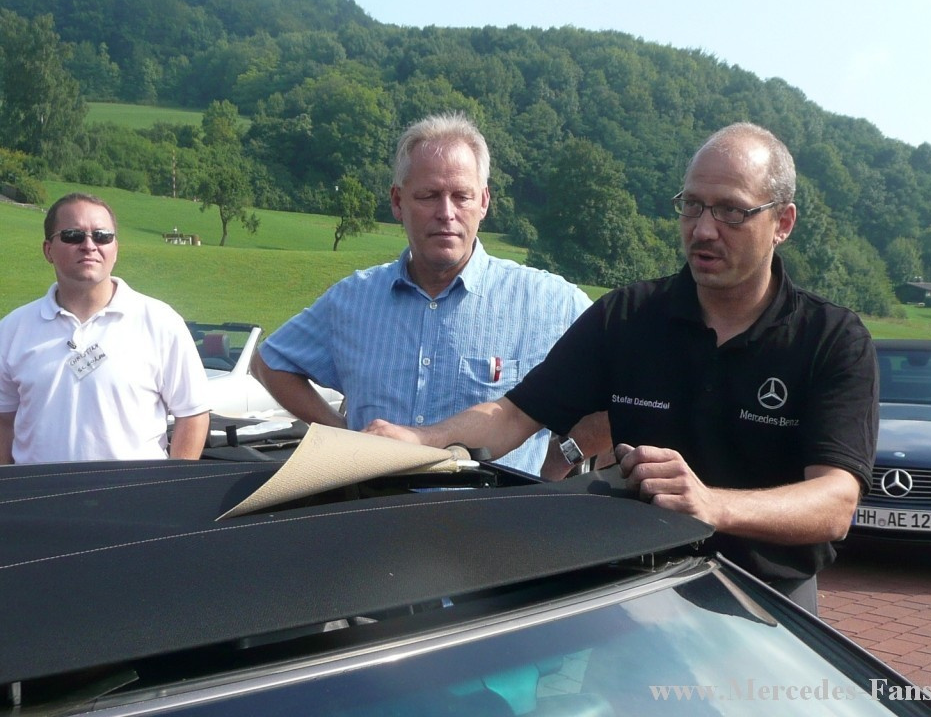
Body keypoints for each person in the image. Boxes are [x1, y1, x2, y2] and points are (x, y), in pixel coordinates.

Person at [365, 122, 879, 613]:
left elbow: (835, 504)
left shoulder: (830, 339)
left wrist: (713, 505)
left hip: (766, 604)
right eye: (692, 205)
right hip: (634, 599)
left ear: (782, 223)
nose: (703, 229)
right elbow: (513, 415)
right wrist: (421, 440)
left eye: (731, 211)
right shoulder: (628, 317)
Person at [251, 112, 609, 474]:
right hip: (374, 504)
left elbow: (626, 383)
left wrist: (563, 456)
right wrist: (342, 434)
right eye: (429, 196)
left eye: (462, 196)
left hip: (495, 509)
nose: (446, 213)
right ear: (397, 201)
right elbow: (270, 362)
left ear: (484, 201)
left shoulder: (549, 303)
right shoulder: (352, 300)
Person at [0, 193, 210, 464]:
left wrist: (172, 483)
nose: (89, 245)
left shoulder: (161, 322)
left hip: (133, 490)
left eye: (102, 236)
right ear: (48, 250)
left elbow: (193, 414)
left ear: (115, 248)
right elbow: (3, 421)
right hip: (41, 490)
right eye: (73, 235)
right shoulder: (12, 330)